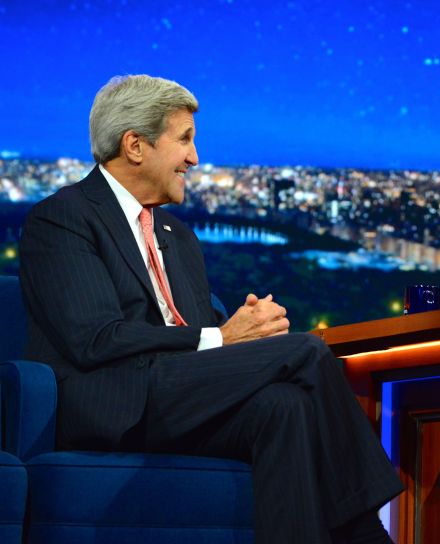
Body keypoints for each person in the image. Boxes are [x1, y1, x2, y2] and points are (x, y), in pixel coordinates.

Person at [19, 75, 402, 543]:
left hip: (183, 394)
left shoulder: (178, 237)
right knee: (307, 351)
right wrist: (223, 337)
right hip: (117, 401)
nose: (194, 158)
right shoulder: (64, 217)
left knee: (284, 406)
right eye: (184, 140)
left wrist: (247, 332)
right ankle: (365, 528)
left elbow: (200, 330)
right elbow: (94, 338)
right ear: (135, 145)